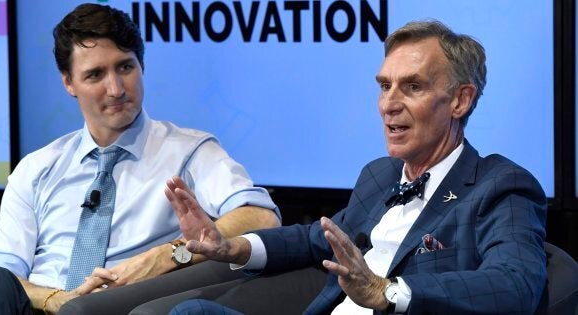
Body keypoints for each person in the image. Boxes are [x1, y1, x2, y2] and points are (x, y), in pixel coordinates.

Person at [133, 20, 548, 314]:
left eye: (413, 86)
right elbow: (316, 238)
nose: (389, 104)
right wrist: (232, 247)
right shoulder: (379, 175)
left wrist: (386, 292)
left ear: (460, 100)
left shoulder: (500, 185)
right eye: (384, 86)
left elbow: (516, 283)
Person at [0, 3, 280, 314]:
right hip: (43, 305)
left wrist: (168, 255)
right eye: (95, 75)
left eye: (125, 67)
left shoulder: (189, 152)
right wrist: (57, 300)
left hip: (123, 305)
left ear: (142, 65)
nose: (116, 89)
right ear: (69, 83)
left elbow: (262, 218)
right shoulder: (37, 168)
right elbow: (2, 273)